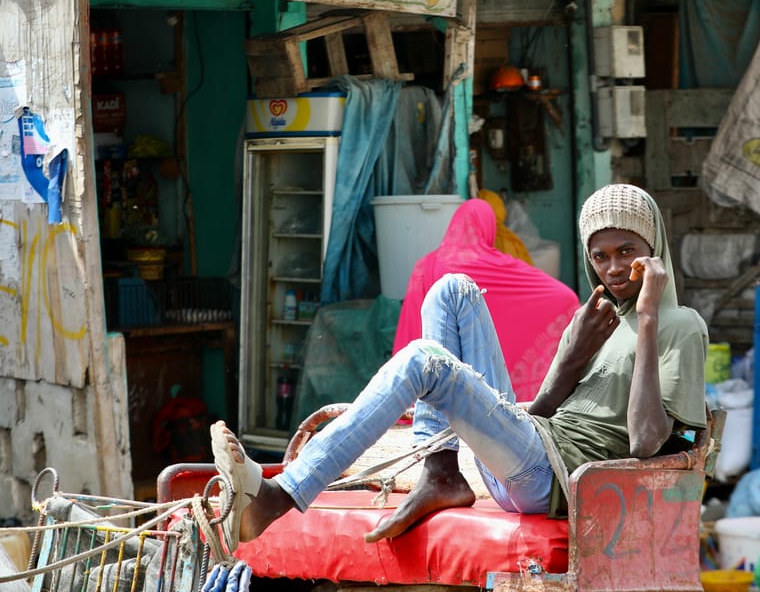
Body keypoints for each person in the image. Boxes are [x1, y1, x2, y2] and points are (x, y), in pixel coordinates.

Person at [212, 183, 708, 554]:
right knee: (450, 289)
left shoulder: (680, 326)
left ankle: (282, 495)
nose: (614, 268)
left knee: (423, 361)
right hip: (531, 449)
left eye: (627, 253)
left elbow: (649, 443)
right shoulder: (595, 318)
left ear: (653, 251)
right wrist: (572, 357)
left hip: (557, 479)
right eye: (600, 256)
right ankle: (441, 471)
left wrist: (647, 318)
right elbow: (541, 413)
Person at [392, 198, 579, 401]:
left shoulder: (425, 266)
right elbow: (562, 295)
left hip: (438, 375)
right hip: (486, 377)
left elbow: (411, 324)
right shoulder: (501, 267)